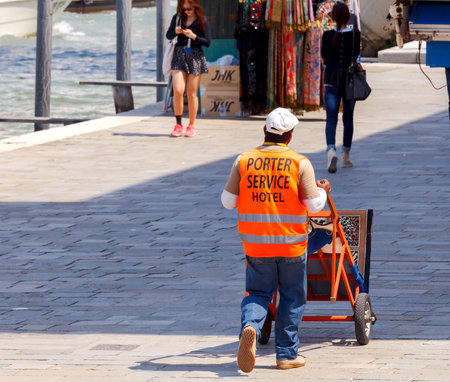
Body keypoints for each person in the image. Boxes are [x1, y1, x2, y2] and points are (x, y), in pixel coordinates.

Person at [221, 108, 331, 372]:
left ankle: (250, 327)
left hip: (256, 245)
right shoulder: (299, 163)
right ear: (290, 137)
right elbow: (314, 205)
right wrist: (323, 191)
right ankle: (286, 355)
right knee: (292, 297)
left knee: (258, 293)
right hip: (292, 245)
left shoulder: (244, 161)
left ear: (264, 131)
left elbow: (227, 202)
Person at [321, 1, 360, 173]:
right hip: (349, 80)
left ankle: (331, 150)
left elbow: (324, 57)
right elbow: (355, 54)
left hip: (331, 79)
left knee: (331, 119)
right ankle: (345, 155)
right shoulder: (355, 34)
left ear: (333, 17)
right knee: (348, 119)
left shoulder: (327, 35)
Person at [166, 0, 211, 137]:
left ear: (195, 6)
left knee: (192, 93)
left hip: (195, 56)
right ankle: (178, 124)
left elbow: (208, 42)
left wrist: (193, 36)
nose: (187, 11)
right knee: (178, 90)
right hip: (179, 55)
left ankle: (191, 125)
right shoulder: (177, 18)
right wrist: (175, 31)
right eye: (184, 9)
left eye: (189, 9)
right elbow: (168, 35)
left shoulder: (202, 20)